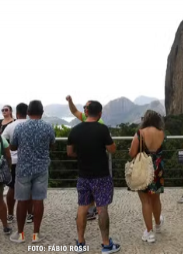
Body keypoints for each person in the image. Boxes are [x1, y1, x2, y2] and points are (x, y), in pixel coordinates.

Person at [66, 101, 121, 253]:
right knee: (102, 208)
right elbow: (112, 149)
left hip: (83, 175)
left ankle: (81, 243)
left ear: (87, 112)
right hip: (101, 175)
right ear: (100, 114)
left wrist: (82, 154)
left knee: (82, 207)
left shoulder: (75, 130)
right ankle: (106, 245)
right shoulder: (102, 129)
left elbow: (69, 152)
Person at [9, 100, 55, 244]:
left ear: (28, 113)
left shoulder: (20, 127)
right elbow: (52, 145)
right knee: (38, 200)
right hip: (41, 169)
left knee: (22, 201)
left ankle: (20, 234)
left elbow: (13, 147)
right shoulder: (48, 127)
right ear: (42, 113)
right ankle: (36, 235)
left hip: (23, 169)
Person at [130, 110, 166, 243]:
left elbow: (132, 152)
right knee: (156, 198)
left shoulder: (140, 133)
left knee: (146, 201)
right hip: (158, 168)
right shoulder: (161, 133)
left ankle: (149, 233)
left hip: (144, 168)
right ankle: (157, 224)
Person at [66, 95, 103, 221]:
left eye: (85, 107)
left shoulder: (99, 123)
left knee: (91, 186)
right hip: (89, 160)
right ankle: (91, 210)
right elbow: (74, 111)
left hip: (94, 162)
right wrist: (70, 101)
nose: (84, 110)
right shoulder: (87, 118)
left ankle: (91, 210)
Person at [1, 102, 31, 224]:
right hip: (29, 161)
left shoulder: (11, 126)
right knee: (29, 188)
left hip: (14, 161)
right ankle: (30, 214)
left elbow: (2, 141)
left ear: (17, 113)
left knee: (12, 187)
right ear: (27, 113)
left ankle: (10, 214)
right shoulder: (32, 125)